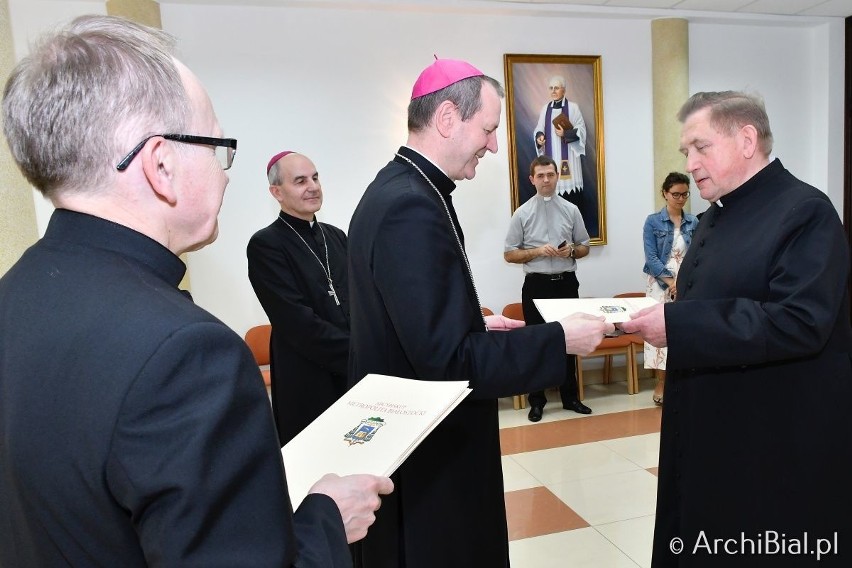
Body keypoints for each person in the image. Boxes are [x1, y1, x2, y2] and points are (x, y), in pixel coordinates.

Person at [0, 15, 392, 567]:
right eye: (215, 145)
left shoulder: (16, 294)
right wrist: (326, 518)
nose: (224, 172)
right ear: (161, 165)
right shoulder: (186, 352)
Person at [346, 57, 614, 568]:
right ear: (448, 118)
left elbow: (415, 325)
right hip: (430, 457)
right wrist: (558, 339)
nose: (493, 145)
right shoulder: (411, 207)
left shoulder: (402, 189)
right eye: (489, 129)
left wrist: (471, 321)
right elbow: (449, 361)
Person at [621, 91, 852, 567]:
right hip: (706, 426)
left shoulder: (805, 211)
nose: (690, 163)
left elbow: (799, 322)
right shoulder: (716, 216)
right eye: (685, 151)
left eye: (700, 147)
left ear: (747, 139)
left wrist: (679, 325)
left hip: (768, 439)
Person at [248, 151, 350, 446]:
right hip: (306, 374)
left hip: (352, 369)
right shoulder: (266, 245)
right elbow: (297, 322)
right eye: (300, 180)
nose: (313, 186)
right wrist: (358, 350)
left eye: (315, 177)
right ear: (277, 192)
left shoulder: (336, 236)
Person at [504, 155, 593, 421]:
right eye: (540, 176)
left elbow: (585, 246)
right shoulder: (522, 213)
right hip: (537, 285)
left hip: (566, 283)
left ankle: (570, 397)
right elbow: (509, 254)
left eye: (550, 175)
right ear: (532, 179)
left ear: (557, 176)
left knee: (569, 340)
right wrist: (537, 251)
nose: (546, 180)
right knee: (537, 343)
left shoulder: (571, 209)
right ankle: (537, 401)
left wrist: (571, 252)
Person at [640, 171, 698, 405]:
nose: (680, 198)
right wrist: (672, 282)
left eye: (685, 194)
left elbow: (696, 254)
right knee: (659, 330)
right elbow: (651, 257)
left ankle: (684, 380)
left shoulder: (693, 221)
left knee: (685, 330)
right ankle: (662, 382)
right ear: (665, 193)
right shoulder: (653, 221)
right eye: (675, 194)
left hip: (687, 282)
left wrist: (683, 283)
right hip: (661, 283)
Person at [534, 75, 587, 200]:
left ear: (563, 90)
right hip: (551, 158)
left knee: (571, 200)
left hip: (569, 161)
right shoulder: (545, 109)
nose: (553, 91)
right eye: (551, 88)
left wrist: (566, 134)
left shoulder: (573, 108)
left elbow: (582, 130)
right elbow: (539, 128)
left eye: (556, 88)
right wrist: (539, 137)